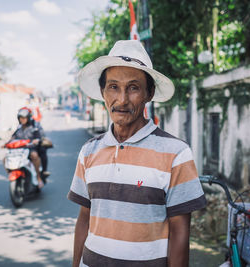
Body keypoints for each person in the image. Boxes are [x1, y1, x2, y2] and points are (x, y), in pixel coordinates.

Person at [67, 40, 207, 267]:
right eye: (113, 87)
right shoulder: (88, 151)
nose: (122, 100)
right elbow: (84, 219)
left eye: (133, 87)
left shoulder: (176, 153)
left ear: (149, 93)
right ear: (103, 92)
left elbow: (180, 233)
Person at [4, 107, 45, 189]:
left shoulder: (34, 127)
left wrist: (36, 140)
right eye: (20, 118)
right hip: (19, 150)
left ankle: (38, 177)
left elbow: (39, 136)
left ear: (28, 118)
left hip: (30, 148)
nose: (22, 120)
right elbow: (13, 137)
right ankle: (13, 173)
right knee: (5, 159)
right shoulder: (19, 128)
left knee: (34, 156)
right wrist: (7, 143)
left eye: (24, 118)